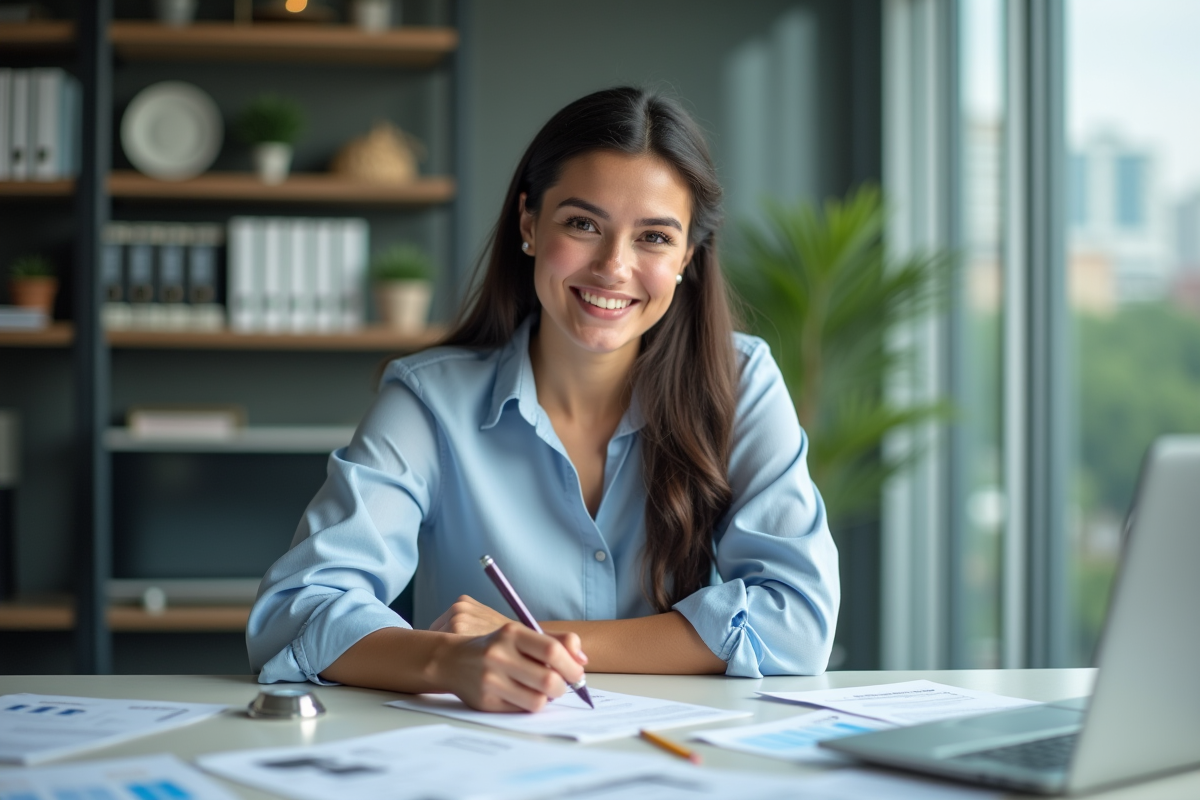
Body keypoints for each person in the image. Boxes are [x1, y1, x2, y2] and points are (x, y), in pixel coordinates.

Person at [247, 87, 839, 713]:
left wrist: (536, 642)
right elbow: (296, 609)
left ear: (688, 256)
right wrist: (449, 660)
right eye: (583, 224)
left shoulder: (741, 381)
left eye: (655, 238)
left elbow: (796, 620)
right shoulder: (428, 399)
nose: (613, 266)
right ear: (530, 223)